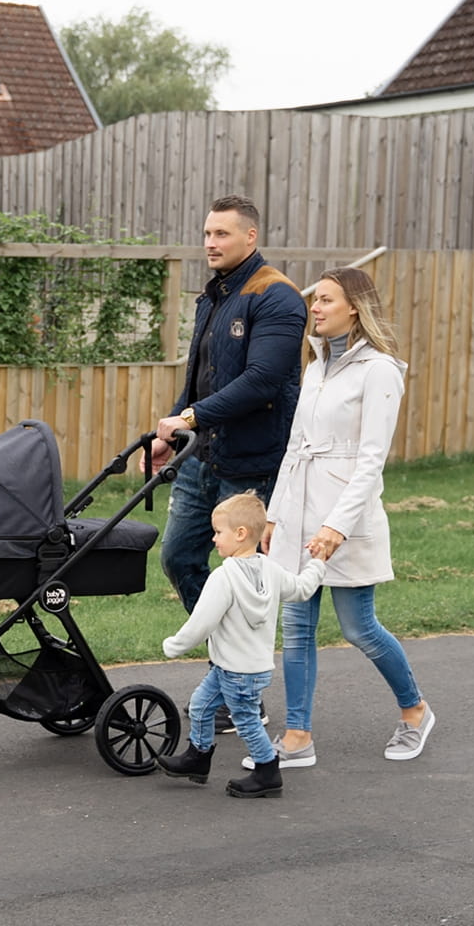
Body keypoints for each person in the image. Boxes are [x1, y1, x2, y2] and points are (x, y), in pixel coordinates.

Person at [243, 266, 435, 772]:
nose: (316, 307)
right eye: (316, 299)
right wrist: (273, 516)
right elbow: (295, 447)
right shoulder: (316, 365)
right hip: (297, 512)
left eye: (327, 299)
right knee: (296, 627)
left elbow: (372, 461)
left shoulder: (381, 370)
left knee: (358, 628)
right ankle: (298, 736)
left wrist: (337, 526)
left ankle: (415, 711)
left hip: (344, 516)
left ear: (355, 307)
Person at [147, 193, 308, 732]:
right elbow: (201, 379)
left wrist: (190, 417)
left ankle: (242, 693)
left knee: (242, 578)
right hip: (203, 457)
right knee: (178, 558)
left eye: (221, 234)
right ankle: (228, 673)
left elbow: (262, 382)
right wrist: (175, 431)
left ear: (250, 237)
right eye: (207, 233)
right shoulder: (213, 296)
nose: (210, 243)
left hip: (251, 463)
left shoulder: (276, 296)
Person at [155, 492, 326, 798]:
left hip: (236, 672)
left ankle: (267, 772)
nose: (213, 538)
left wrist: (175, 645)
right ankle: (198, 757)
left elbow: (202, 622)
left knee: (247, 721)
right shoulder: (271, 570)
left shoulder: (223, 578)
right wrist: (317, 564)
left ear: (240, 533)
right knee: (201, 705)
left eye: (218, 532)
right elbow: (302, 589)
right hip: (239, 668)